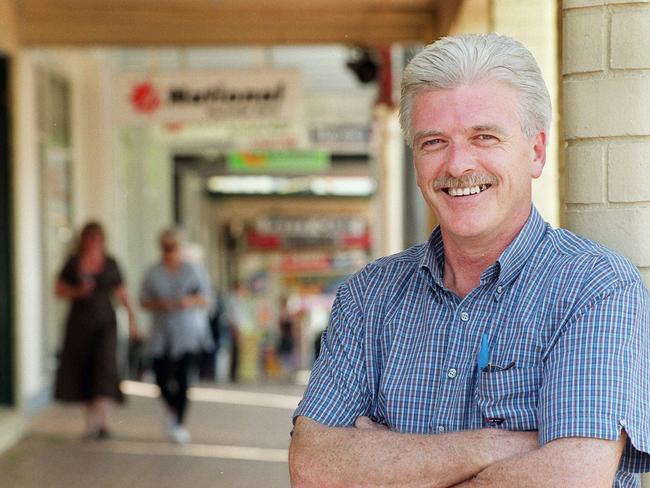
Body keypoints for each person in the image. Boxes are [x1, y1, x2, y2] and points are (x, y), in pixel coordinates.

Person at [289, 33, 650, 487]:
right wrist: (500, 445)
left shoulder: (593, 288)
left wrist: (385, 461)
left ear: (536, 151)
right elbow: (313, 468)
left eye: (484, 137)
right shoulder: (368, 298)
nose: (458, 165)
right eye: (434, 142)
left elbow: (571, 479)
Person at [54, 221, 139, 440]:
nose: (92, 242)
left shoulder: (110, 263)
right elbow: (59, 290)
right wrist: (77, 291)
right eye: (88, 238)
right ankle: (91, 423)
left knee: (105, 367)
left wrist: (132, 320)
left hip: (105, 324)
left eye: (96, 238)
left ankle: (102, 421)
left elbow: (122, 294)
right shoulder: (73, 263)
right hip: (80, 324)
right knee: (84, 369)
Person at [140, 228, 213, 444]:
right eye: (165, 247)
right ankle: (172, 412)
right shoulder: (153, 272)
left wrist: (189, 302)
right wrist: (160, 304)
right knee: (160, 376)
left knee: (183, 378)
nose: (169, 251)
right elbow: (143, 300)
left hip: (187, 332)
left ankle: (179, 422)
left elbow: (207, 298)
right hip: (161, 331)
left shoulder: (193, 270)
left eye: (173, 247)